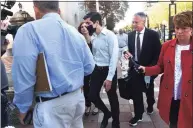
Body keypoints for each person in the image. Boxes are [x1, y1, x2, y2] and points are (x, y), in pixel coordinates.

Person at [12, 1, 95, 128]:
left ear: (36, 9)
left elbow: (24, 75)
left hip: (52, 107)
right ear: (58, 9)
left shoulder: (29, 30)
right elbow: (89, 67)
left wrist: (23, 107)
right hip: (77, 99)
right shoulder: (74, 32)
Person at [137, 11, 192, 128]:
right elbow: (160, 67)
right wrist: (146, 69)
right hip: (172, 96)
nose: (179, 31)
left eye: (184, 28)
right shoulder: (167, 46)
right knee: (173, 123)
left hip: (189, 98)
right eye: (177, 28)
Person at [84, 12, 120, 128]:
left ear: (97, 22)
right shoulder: (93, 35)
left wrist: (109, 78)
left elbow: (114, 58)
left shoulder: (110, 35)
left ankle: (116, 122)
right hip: (97, 70)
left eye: (88, 23)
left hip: (108, 70)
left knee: (112, 98)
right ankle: (106, 113)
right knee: (92, 95)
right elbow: (93, 53)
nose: (86, 25)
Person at [125, 12, 161, 126]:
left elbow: (158, 54)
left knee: (149, 91)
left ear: (143, 22)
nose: (133, 24)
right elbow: (129, 50)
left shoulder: (153, 35)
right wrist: (126, 53)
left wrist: (150, 69)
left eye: (136, 22)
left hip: (148, 70)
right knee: (136, 93)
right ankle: (138, 115)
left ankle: (150, 104)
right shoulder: (130, 35)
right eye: (133, 22)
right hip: (135, 70)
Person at [78, 22, 99, 116]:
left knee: (95, 88)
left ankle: (97, 105)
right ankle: (88, 105)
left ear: (89, 28)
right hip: (83, 69)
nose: (83, 28)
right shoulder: (78, 40)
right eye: (81, 27)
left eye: (85, 26)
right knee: (86, 88)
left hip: (95, 68)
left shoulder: (94, 39)